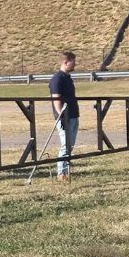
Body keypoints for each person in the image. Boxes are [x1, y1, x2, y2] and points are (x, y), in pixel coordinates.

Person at [48, 51, 80, 182]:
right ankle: (61, 172)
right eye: (73, 61)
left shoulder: (67, 77)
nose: (75, 64)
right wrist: (62, 115)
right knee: (65, 145)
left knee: (70, 145)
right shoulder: (57, 78)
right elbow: (56, 98)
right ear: (65, 62)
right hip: (64, 118)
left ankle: (66, 169)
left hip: (73, 115)